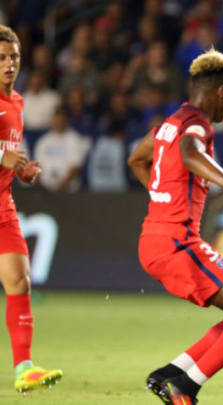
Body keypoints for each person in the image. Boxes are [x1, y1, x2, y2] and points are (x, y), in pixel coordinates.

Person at [127, 49, 223, 405]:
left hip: (154, 238)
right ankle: (186, 386)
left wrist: (164, 195)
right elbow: (191, 154)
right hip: (177, 244)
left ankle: (172, 374)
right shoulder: (197, 124)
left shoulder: (169, 122)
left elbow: (137, 158)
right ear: (222, 93)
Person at [0, 24, 63, 394]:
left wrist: (21, 169)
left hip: (3, 205)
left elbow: (7, 156)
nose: (9, 64)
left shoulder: (18, 102)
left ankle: (24, 368)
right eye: (2, 59)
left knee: (19, 280)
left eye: (14, 57)